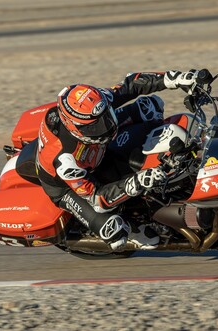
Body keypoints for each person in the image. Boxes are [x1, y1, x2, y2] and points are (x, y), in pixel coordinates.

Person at [36, 69, 200, 251]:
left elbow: (130, 84)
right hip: (67, 187)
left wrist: (175, 79)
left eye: (105, 117)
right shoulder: (66, 161)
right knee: (114, 232)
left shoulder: (97, 102)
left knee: (150, 106)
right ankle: (133, 230)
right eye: (95, 127)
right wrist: (134, 183)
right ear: (75, 129)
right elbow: (97, 198)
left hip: (97, 150)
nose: (106, 126)